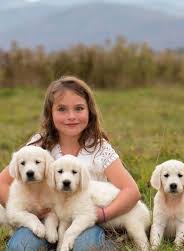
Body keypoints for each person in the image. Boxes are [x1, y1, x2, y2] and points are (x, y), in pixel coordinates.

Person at [0, 76, 141, 251]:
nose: (71, 116)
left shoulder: (99, 148)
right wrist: (24, 211)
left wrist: (104, 214)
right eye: (62, 109)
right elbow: (2, 182)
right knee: (20, 247)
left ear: (90, 112)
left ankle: (112, 243)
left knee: (85, 246)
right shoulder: (40, 144)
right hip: (45, 221)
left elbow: (131, 191)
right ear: (50, 114)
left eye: (79, 108)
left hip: (84, 220)